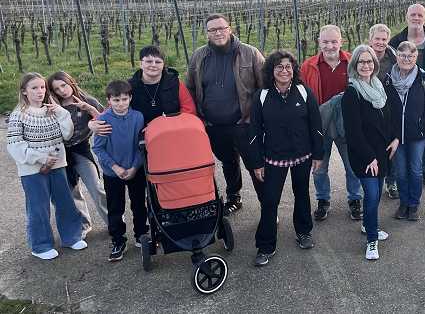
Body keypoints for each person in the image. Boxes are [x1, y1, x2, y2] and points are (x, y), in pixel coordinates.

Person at [249, 50, 323, 267]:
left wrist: (318, 154)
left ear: (294, 70)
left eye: (288, 66)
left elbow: (316, 125)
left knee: (302, 194)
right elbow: (254, 132)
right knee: (270, 201)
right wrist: (257, 162)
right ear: (271, 71)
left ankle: (304, 232)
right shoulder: (261, 96)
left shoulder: (303, 91)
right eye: (279, 67)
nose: (284, 70)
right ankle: (265, 246)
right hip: (274, 158)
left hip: (302, 155)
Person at [186, 14, 265, 216]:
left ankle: (267, 206)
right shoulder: (199, 56)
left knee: (255, 165)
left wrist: (254, 117)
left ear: (230, 29)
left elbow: (264, 87)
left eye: (221, 28)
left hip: (244, 124)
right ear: (207, 33)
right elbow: (191, 89)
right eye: (212, 30)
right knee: (228, 162)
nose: (218, 33)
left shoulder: (249, 53)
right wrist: (199, 119)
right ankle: (234, 197)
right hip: (214, 126)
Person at [6, 73, 86, 260]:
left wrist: (61, 112)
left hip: (58, 165)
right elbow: (15, 145)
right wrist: (41, 158)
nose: (40, 91)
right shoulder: (19, 114)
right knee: (39, 207)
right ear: (24, 91)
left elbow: (67, 134)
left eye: (42, 87)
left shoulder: (53, 111)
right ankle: (40, 246)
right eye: (34, 88)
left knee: (65, 202)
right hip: (32, 170)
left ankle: (71, 237)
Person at [342, 45, 399, 260]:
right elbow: (353, 132)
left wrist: (396, 139)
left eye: (369, 61)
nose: (366, 65)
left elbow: (389, 118)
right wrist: (370, 157)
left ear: (374, 64)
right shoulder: (352, 93)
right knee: (373, 195)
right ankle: (372, 240)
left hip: (383, 152)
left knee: (374, 194)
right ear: (354, 65)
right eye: (361, 62)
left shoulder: (379, 86)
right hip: (364, 156)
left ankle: (368, 225)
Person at [301, 25, 363, 221]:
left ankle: (355, 199)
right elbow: (302, 97)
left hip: (347, 124)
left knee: (352, 165)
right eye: (325, 42)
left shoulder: (353, 62)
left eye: (334, 42)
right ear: (319, 43)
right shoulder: (308, 66)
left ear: (341, 42)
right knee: (319, 167)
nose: (330, 46)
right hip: (320, 125)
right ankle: (323, 200)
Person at [389, 4, 425, 189]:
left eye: (420, 15)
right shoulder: (396, 40)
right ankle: (396, 178)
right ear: (407, 17)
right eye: (413, 14)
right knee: (398, 142)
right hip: (402, 96)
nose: (416, 18)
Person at [48, 71, 108, 238]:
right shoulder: (53, 107)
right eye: (57, 89)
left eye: (64, 85)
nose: (62, 91)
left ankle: (113, 221)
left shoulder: (87, 100)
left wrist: (90, 109)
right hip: (62, 153)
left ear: (71, 83)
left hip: (82, 149)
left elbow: (105, 118)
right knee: (72, 191)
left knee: (96, 187)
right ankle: (84, 224)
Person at [92, 80, 146, 262]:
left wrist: (134, 167)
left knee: (139, 203)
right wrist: (115, 167)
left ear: (130, 98)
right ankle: (118, 240)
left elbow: (141, 146)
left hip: (135, 169)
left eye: (124, 99)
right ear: (108, 101)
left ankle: (141, 234)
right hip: (112, 172)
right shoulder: (103, 120)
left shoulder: (138, 117)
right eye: (116, 100)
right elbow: (98, 148)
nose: (121, 104)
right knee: (115, 207)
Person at [384, 41, 425, 221]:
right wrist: (390, 131)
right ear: (397, 56)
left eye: (410, 56)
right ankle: (403, 203)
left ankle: (413, 205)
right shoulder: (388, 79)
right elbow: (384, 107)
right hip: (396, 136)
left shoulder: (423, 78)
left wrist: (423, 123)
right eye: (403, 55)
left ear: (416, 57)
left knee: (415, 170)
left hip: (418, 134)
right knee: (400, 171)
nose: (406, 59)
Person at [89, 46, 196, 133]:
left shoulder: (175, 83)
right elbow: (113, 109)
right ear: (141, 64)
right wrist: (93, 122)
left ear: (163, 65)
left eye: (158, 62)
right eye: (149, 61)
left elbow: (189, 111)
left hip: (172, 132)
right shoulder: (129, 86)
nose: (153, 65)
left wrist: (164, 126)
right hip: (138, 135)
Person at [369, 23, 399, 199]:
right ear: (370, 40)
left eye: (384, 39)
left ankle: (391, 181)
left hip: (389, 110)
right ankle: (372, 182)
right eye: (377, 39)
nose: (380, 42)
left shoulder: (394, 59)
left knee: (391, 148)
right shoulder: (363, 57)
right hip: (369, 110)